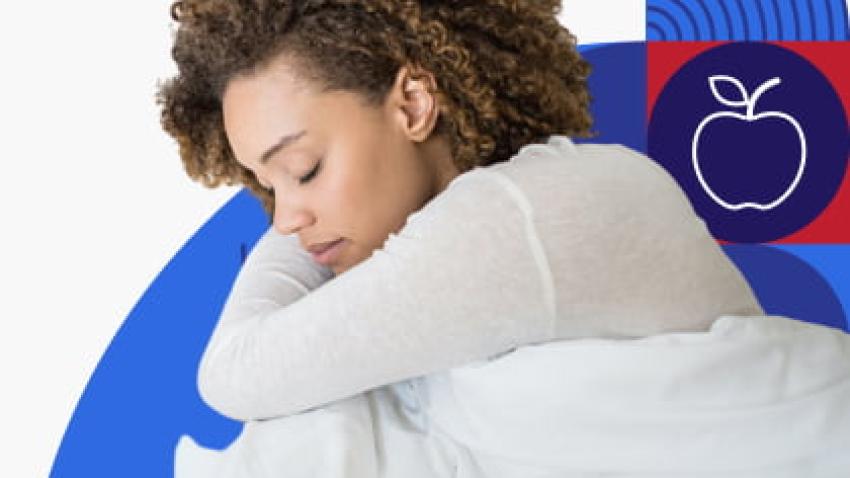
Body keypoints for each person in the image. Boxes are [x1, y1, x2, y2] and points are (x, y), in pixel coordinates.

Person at [156, 0, 765, 422]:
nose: (285, 219)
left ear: (414, 104)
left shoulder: (513, 218)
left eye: (303, 170)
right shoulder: (528, 202)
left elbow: (236, 374)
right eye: (264, 187)